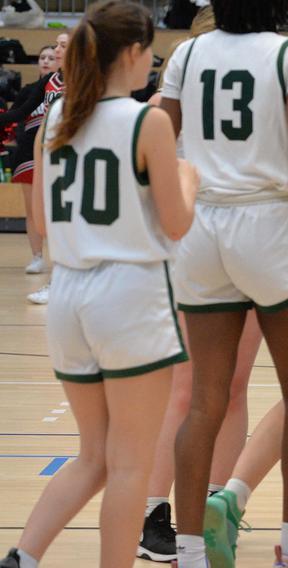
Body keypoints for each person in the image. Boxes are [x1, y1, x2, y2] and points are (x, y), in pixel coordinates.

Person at [0, 2, 198, 567]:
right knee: (131, 462)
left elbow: (39, 208)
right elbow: (177, 221)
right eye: (151, 51)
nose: (153, 62)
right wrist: (189, 178)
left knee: (94, 456)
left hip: (67, 297)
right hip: (129, 294)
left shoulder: (57, 114)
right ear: (132, 53)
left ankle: (24, 556)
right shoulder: (148, 122)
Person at [158, 0, 288, 566]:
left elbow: (159, 136)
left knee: (204, 402)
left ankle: (188, 551)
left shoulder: (187, 53)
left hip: (203, 228)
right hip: (265, 221)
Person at [137, 10, 263, 563]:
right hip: (192, 245)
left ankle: (215, 509)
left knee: (234, 387)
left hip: (249, 238)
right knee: (187, 391)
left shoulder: (262, 86)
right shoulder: (164, 106)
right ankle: (152, 511)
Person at [0, 33, 68, 304]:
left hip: (72, 152)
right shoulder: (49, 81)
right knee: (50, 215)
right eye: (55, 46)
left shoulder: (87, 78)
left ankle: (62, 280)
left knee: (63, 217)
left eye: (62, 46)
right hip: (49, 152)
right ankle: (55, 275)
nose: (55, 49)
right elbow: (24, 110)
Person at [6, 44, 58, 276]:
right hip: (28, 153)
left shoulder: (65, 86)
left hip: (55, 151)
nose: (46, 61)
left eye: (51, 57)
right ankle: (37, 256)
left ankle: (60, 257)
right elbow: (15, 117)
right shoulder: (29, 90)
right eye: (42, 57)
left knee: (56, 207)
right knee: (33, 209)